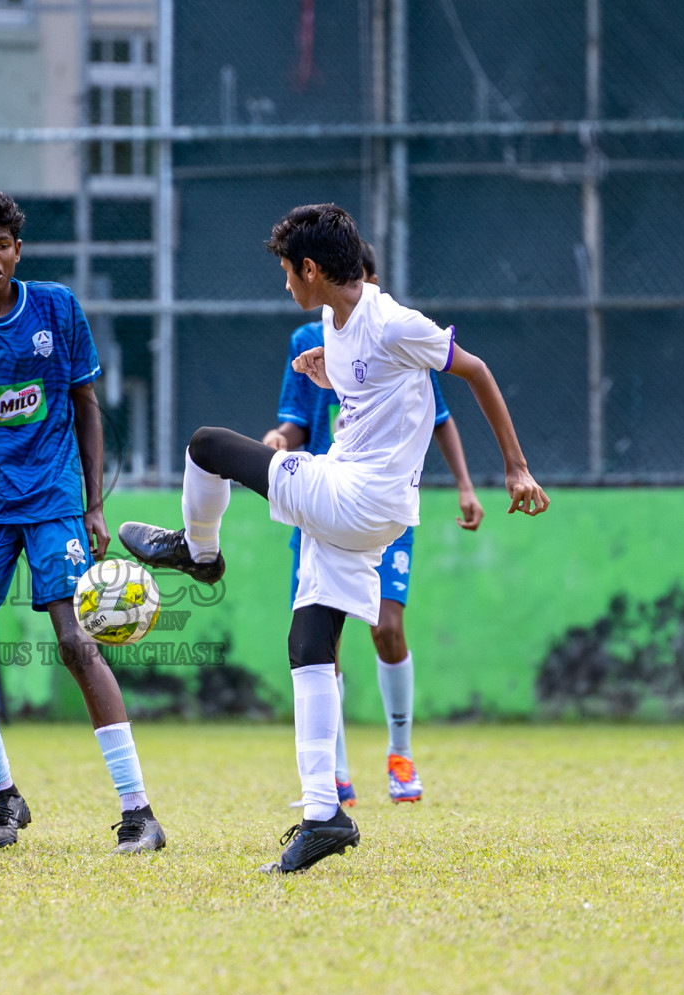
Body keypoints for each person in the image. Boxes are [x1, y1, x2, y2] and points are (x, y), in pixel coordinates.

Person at [120, 203, 547, 874]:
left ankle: (198, 553)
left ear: (311, 270)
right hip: (361, 505)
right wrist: (331, 373)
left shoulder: (391, 321)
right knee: (310, 644)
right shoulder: (332, 322)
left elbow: (478, 372)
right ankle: (325, 815)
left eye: (288, 272)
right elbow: (373, 393)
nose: (287, 284)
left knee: (206, 447)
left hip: (355, 496)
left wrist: (515, 468)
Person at [0, 190, 166, 854]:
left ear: (18, 250)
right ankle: (3, 798)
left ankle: (138, 812)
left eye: (2, 246)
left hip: (52, 498)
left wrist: (93, 502)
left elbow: (86, 404)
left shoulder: (56, 309)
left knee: (77, 642)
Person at [262, 241, 484, 807]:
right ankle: (335, 774)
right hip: (324, 497)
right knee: (319, 640)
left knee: (386, 627)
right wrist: (277, 445)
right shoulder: (309, 339)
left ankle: (400, 752)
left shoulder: (396, 334)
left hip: (382, 504)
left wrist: (465, 484)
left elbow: (441, 415)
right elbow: (293, 422)